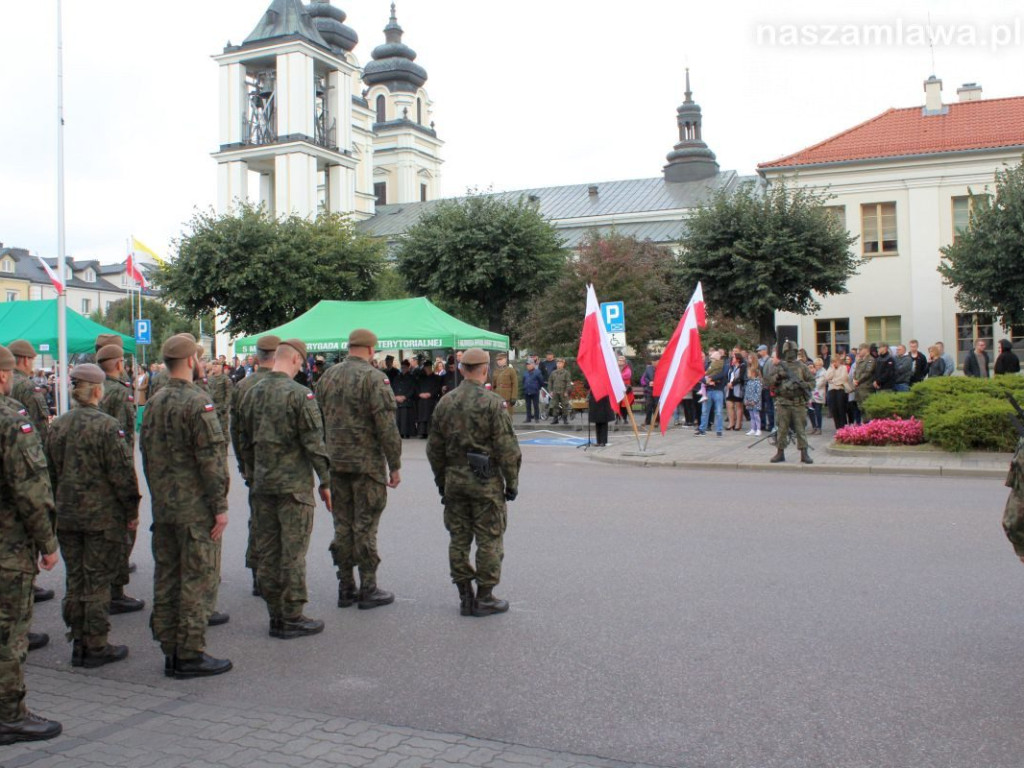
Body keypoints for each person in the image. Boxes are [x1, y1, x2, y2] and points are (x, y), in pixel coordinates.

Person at [140, 333, 232, 679]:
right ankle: (189, 653)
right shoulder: (198, 401)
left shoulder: (154, 402)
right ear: (192, 361)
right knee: (196, 578)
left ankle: (170, 648)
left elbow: (146, 454)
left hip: (165, 506)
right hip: (194, 508)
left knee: (167, 577)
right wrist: (220, 506)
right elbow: (211, 460)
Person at [45, 363, 140, 668]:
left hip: (67, 515)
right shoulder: (108, 426)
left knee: (76, 579)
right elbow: (122, 475)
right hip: (101, 517)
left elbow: (50, 473)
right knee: (97, 581)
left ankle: (78, 640)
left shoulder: (58, 425)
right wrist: (132, 511)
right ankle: (95, 645)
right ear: (98, 391)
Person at [237, 339, 331, 639]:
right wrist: (326, 481)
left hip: (262, 485)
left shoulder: (250, 393)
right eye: (301, 363)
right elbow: (314, 443)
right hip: (293, 488)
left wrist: (250, 473)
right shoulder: (299, 395)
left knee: (268, 551)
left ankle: (275, 614)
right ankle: (291, 616)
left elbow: (242, 440)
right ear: (295, 360)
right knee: (292, 552)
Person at [426, 348, 521, 617]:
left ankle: (465, 595)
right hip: (485, 482)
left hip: (455, 482)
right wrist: (512, 483)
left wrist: (442, 481)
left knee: (459, 539)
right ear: (485, 369)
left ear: (461, 369)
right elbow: (508, 449)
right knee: (489, 539)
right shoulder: (493, 403)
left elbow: (434, 448)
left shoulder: (445, 402)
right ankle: (485, 596)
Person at [0, 344, 62, 745]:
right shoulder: (10, 421)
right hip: (7, 547)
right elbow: (31, 490)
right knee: (8, 635)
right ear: (4, 375)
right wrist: (48, 542)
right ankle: (9, 715)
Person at [316, 329, 402, 610]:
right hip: (366, 465)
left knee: (342, 525)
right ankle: (368, 587)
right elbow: (387, 427)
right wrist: (395, 465)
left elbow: (317, 422)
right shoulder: (374, 378)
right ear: (371, 349)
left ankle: (345, 585)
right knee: (365, 526)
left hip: (335, 463)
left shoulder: (327, 377)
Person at [95, 343, 145, 615]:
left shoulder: (95, 387)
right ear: (117, 364)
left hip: (94, 470)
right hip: (116, 466)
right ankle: (115, 591)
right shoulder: (120, 392)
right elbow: (124, 437)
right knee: (124, 527)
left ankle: (103, 585)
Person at [6, 340, 56, 608]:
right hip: (24, 466)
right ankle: (29, 583)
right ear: (25, 359)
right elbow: (40, 431)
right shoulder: (26, 387)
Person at [230, 334, 281, 596]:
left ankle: (258, 575)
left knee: (258, 521)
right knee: (281, 525)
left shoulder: (242, 386)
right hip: (283, 469)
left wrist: (243, 464)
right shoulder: (284, 384)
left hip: (255, 466)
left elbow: (236, 430)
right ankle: (276, 575)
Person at [768, 341, 814, 464]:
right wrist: (778, 377)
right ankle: (780, 453)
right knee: (782, 429)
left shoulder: (802, 366)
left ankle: (804, 453)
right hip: (783, 403)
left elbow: (812, 381)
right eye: (788, 351)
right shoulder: (779, 366)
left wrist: (803, 385)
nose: (790, 353)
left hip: (798, 403)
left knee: (801, 429)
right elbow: (769, 382)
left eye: (792, 351)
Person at [697, 350, 726, 436]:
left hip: (718, 390)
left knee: (719, 412)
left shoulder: (723, 365)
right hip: (708, 390)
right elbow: (701, 375)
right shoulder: (708, 365)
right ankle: (702, 429)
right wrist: (707, 381)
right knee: (705, 411)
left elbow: (723, 375)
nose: (711, 359)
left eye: (713, 358)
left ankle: (719, 430)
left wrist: (712, 379)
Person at [415, 360, 444, 437]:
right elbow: (416, 387)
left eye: (428, 367)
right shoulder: (420, 378)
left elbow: (438, 388)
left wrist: (430, 394)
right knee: (421, 413)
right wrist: (420, 394)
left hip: (431, 399)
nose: (427, 369)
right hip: (421, 399)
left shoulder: (437, 378)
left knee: (430, 414)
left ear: (431, 367)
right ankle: (422, 432)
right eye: (426, 367)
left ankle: (430, 432)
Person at [849, 344, 876, 425]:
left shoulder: (870, 360)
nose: (859, 351)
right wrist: (854, 380)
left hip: (866, 388)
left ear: (866, 349)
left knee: (867, 408)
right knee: (861, 408)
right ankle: (865, 424)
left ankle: (869, 425)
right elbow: (855, 371)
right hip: (859, 388)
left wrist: (858, 380)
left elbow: (868, 372)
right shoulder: (860, 360)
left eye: (860, 350)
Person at [207, 359, 233, 433]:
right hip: (212, 406)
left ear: (220, 367)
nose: (214, 367)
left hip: (221, 407)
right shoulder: (210, 378)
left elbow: (229, 393)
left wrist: (225, 406)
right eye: (213, 366)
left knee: (223, 430)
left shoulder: (225, 379)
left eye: (216, 366)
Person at [393, 359, 417, 438]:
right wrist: (396, 396)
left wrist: (405, 397)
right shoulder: (397, 377)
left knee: (406, 418)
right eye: (402, 367)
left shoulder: (412, 377)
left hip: (407, 400)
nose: (403, 369)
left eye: (405, 367)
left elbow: (413, 389)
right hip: (397, 399)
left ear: (408, 368)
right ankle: (399, 433)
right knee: (398, 418)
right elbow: (393, 387)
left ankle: (406, 433)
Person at [824, 354, 849, 430]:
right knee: (834, 410)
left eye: (836, 361)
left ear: (839, 361)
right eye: (833, 361)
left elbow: (843, 379)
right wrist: (832, 369)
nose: (835, 363)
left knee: (841, 409)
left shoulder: (843, 368)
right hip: (832, 391)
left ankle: (844, 428)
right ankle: (838, 428)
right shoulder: (830, 368)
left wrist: (833, 381)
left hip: (840, 390)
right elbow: (827, 378)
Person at [491, 353, 519, 419]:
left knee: (508, 416)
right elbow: (493, 386)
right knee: (498, 416)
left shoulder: (511, 370)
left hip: (507, 397)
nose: (498, 361)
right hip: (498, 397)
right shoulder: (496, 371)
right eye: (497, 360)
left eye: (500, 359)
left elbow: (515, 384)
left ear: (505, 359)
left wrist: (513, 397)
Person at [724, 353, 746, 431]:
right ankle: (731, 423)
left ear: (738, 359)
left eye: (733, 358)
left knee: (738, 406)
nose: (732, 359)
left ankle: (738, 424)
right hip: (730, 388)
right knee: (729, 405)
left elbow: (740, 377)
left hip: (738, 388)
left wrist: (732, 384)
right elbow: (726, 376)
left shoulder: (742, 366)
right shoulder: (731, 367)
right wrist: (728, 383)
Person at [547, 358, 573, 424]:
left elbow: (568, 383)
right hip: (555, 392)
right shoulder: (553, 373)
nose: (559, 364)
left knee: (564, 405)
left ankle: (565, 419)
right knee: (555, 405)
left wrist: (566, 391)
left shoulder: (566, 373)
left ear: (563, 364)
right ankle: (555, 419)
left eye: (560, 363)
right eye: (558, 363)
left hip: (563, 392)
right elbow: (550, 382)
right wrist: (550, 391)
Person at [743, 361, 763, 436]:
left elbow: (758, 393)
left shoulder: (758, 382)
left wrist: (754, 401)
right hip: (749, 402)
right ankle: (752, 429)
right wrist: (745, 400)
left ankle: (758, 429)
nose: (747, 374)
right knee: (751, 416)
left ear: (753, 373)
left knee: (756, 415)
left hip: (755, 403)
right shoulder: (749, 382)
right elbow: (746, 392)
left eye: (748, 373)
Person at [808, 357, 827, 435]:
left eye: (818, 365)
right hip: (811, 395)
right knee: (810, 411)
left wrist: (811, 383)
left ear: (821, 365)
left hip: (819, 395)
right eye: (816, 365)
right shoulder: (813, 372)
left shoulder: (823, 372)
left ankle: (819, 428)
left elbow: (819, 384)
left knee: (818, 411)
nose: (817, 366)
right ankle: (814, 427)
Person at [641, 358, 659, 427]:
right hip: (649, 390)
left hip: (657, 390)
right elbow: (645, 378)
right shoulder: (648, 368)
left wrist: (656, 382)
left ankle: (656, 421)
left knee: (656, 406)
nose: (655, 363)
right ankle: (647, 421)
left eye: (656, 362)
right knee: (648, 405)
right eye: (653, 362)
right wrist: (649, 382)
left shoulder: (661, 368)